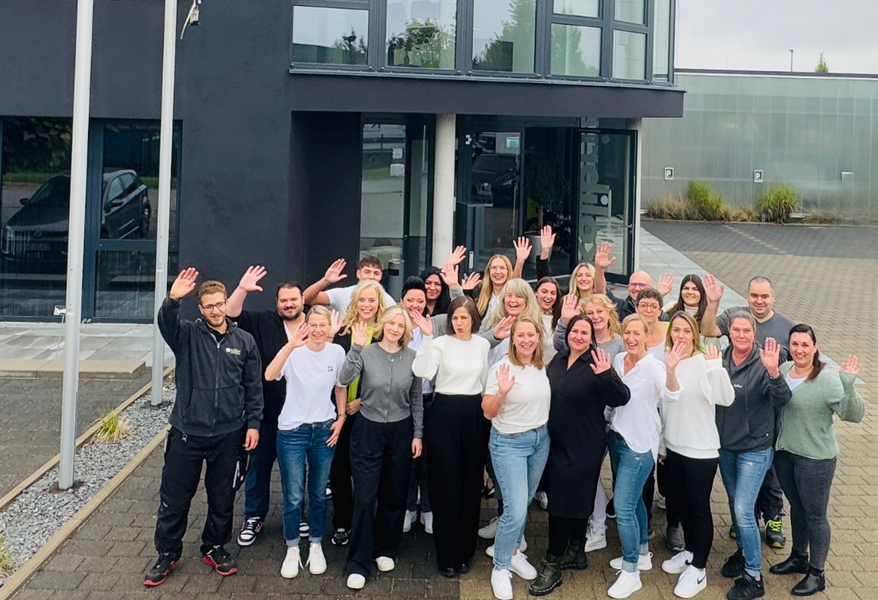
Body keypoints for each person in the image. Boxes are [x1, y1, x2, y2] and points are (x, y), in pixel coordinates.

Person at [144, 269, 263, 587]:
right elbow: (166, 323)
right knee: (174, 498)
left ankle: (214, 546)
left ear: (226, 303)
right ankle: (167, 553)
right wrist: (172, 300)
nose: (215, 310)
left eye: (220, 304)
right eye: (209, 306)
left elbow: (253, 387)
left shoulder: (244, 341)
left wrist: (253, 424)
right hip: (187, 433)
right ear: (201, 308)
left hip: (229, 434)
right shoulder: (186, 335)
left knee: (223, 497)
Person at [528, 315, 630, 597]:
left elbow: (621, 397)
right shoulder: (559, 359)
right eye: (575, 331)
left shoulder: (597, 362)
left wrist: (607, 375)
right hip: (556, 442)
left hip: (584, 443)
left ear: (592, 338)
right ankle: (576, 550)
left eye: (585, 333)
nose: (579, 336)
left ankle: (553, 561)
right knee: (573, 497)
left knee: (562, 502)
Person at [224, 266, 323, 547]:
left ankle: (297, 514)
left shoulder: (317, 326)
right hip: (267, 412)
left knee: (297, 471)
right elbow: (232, 314)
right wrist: (242, 288)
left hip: (303, 416)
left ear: (302, 300)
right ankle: (254, 516)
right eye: (283, 300)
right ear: (277, 303)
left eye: (293, 299)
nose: (289, 304)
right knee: (258, 467)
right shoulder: (263, 322)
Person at [769, 325, 864, 597]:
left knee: (815, 515)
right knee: (797, 508)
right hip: (785, 454)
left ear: (815, 347)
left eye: (805, 345)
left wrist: (849, 385)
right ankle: (799, 556)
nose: (799, 350)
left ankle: (816, 572)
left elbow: (853, 415)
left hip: (815, 460)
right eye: (794, 344)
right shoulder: (784, 369)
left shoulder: (827, 380)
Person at [701, 274, 794, 548]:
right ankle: (746, 519)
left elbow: (800, 362)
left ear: (773, 297)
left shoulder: (787, 326)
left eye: (764, 296)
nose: (759, 300)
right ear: (747, 295)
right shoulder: (735, 315)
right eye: (754, 295)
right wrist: (713, 303)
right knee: (743, 483)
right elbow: (707, 330)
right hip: (737, 420)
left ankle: (774, 518)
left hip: (771, 412)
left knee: (771, 476)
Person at [339, 307, 424, 590]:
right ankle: (358, 562)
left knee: (394, 494)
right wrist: (356, 348)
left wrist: (418, 434)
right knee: (365, 497)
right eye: (391, 323)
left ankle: (385, 548)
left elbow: (416, 399)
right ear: (383, 325)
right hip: (368, 430)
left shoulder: (412, 358)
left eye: (401, 325)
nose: (395, 328)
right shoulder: (366, 352)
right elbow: (344, 378)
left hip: (400, 430)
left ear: (405, 331)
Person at [265, 306, 347, 579]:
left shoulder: (336, 352)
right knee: (293, 495)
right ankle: (292, 547)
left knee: (319, 493)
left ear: (330, 327)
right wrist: (290, 346)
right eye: (313, 324)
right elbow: (269, 375)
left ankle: (315, 544)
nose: (318, 330)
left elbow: (340, 386)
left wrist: (341, 417)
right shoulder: (293, 350)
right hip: (292, 432)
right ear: (305, 325)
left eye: (323, 325)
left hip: (324, 430)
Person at [411, 297, 491, 577]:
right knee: (446, 485)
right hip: (444, 413)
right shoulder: (440, 343)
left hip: (474, 414)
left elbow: (484, 382)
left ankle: (464, 552)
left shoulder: (482, 345)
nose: (459, 323)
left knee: (470, 484)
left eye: (464, 318)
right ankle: (446, 554)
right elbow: (422, 371)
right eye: (455, 318)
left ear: (473, 320)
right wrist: (426, 338)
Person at [715, 312, 792, 600]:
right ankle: (743, 551)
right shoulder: (721, 359)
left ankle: (754, 576)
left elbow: (783, 399)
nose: (741, 335)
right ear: (729, 332)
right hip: (726, 446)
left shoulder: (765, 360)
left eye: (746, 330)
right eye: (736, 330)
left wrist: (774, 373)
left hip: (755, 449)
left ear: (754, 333)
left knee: (743, 509)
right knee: (734, 504)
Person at [659, 312, 734, 599]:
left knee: (698, 507)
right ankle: (689, 551)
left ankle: (699, 569)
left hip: (700, 449)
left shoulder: (704, 362)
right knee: (681, 504)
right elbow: (667, 404)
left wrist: (716, 369)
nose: (680, 335)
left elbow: (725, 398)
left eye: (685, 330)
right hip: (674, 446)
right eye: (675, 330)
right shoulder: (669, 360)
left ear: (694, 334)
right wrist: (663, 445)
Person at [606, 314, 680, 600]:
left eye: (637, 333)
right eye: (627, 332)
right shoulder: (618, 360)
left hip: (639, 446)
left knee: (623, 507)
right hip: (617, 438)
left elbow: (671, 397)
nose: (631, 338)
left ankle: (630, 572)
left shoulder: (654, 366)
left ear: (648, 336)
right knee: (635, 500)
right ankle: (642, 553)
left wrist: (671, 371)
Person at [482, 317, 551, 599]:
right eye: (520, 335)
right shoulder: (502, 368)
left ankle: (512, 552)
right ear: (512, 339)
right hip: (509, 442)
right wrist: (502, 392)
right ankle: (500, 567)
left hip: (539, 440)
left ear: (538, 337)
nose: (526, 340)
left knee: (525, 501)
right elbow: (488, 411)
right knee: (516, 509)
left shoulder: (541, 365)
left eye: (530, 334)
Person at [329, 280, 390, 547]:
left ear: (379, 303)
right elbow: (332, 370)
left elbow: (389, 375)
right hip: (340, 410)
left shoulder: (385, 333)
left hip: (371, 412)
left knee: (369, 471)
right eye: (362, 300)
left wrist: (363, 401)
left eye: (371, 300)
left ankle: (368, 521)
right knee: (339, 468)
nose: (366, 305)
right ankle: (342, 521)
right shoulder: (342, 330)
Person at [302, 256, 396, 315]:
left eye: (376, 273)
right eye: (367, 272)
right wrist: (325, 281)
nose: (371, 277)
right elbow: (306, 299)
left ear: (381, 276)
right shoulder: (342, 294)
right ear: (358, 273)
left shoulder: (388, 301)